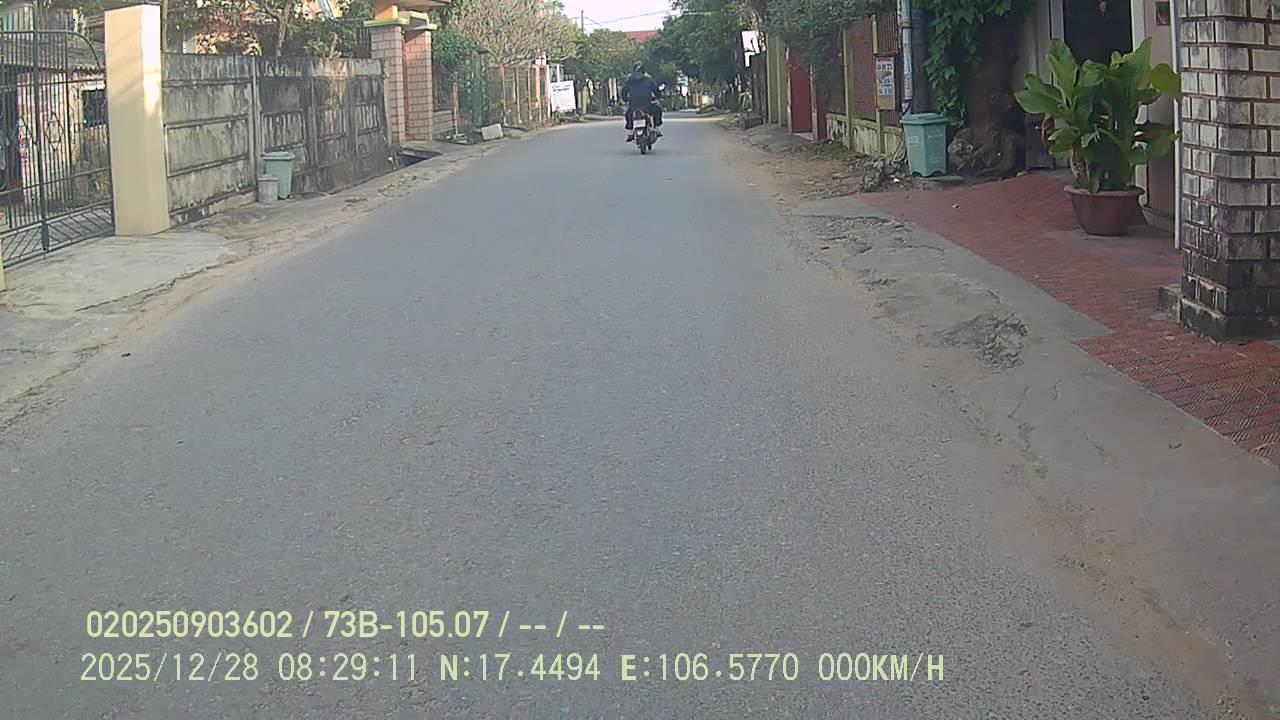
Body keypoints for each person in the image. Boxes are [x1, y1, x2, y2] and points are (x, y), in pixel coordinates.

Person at [621, 62, 663, 142]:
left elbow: (624, 93)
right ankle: (656, 128)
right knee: (657, 110)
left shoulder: (629, 81)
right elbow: (657, 91)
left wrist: (625, 99)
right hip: (647, 106)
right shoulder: (649, 80)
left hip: (633, 106)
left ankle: (631, 131)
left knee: (628, 114)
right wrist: (658, 97)